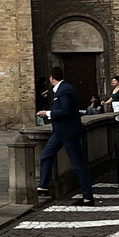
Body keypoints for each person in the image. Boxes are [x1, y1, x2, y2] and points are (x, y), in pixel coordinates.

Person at [38, 64, 94, 204]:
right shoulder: (63, 89)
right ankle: (43, 186)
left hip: (68, 132)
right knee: (46, 155)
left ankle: (88, 197)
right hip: (59, 132)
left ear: (51, 78)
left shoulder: (65, 90)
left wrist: (47, 113)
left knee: (78, 164)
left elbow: (65, 111)